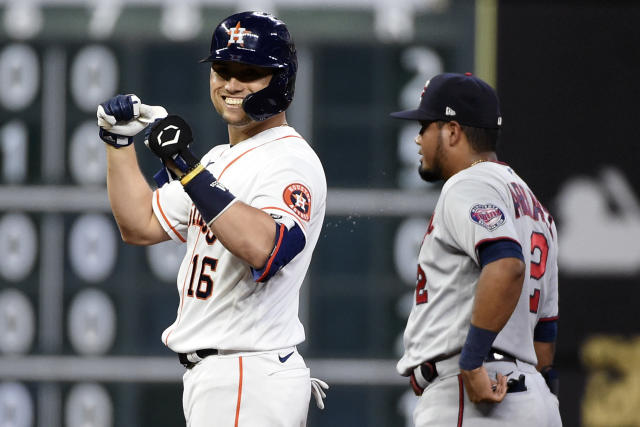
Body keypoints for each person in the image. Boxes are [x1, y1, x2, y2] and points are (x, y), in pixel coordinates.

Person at [95, 11, 328, 427]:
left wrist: (186, 168)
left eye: (250, 72)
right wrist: (118, 144)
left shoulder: (290, 160)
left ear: (281, 79)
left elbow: (267, 248)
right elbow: (140, 224)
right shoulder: (220, 160)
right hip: (224, 377)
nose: (232, 84)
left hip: (246, 373)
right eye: (222, 69)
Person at [390, 72, 561, 426]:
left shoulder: (469, 183)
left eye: (425, 126)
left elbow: (506, 264)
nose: (418, 138)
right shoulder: (534, 206)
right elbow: (545, 331)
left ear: (452, 131)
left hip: (475, 393)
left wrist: (471, 362)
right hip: (531, 398)